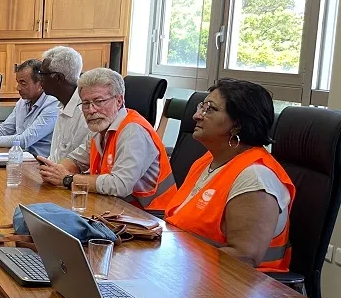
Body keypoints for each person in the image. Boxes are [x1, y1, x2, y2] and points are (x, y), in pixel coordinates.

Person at [165, 79, 294, 271]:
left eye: (210, 109)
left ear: (237, 125)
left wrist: (170, 263)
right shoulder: (208, 161)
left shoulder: (255, 178)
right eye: (202, 107)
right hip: (187, 269)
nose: (196, 115)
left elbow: (243, 258)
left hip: (236, 284)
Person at [38, 68, 176, 212]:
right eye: (85, 103)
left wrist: (68, 179)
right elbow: (76, 161)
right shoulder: (100, 127)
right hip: (112, 207)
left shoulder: (133, 131)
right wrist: (54, 172)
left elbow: (120, 185)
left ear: (119, 101)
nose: (91, 110)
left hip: (150, 215)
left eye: (99, 101)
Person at [38, 46, 89, 162]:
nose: (39, 79)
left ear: (58, 78)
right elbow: (56, 155)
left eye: (42, 74)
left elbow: (80, 163)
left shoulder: (84, 112)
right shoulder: (63, 105)